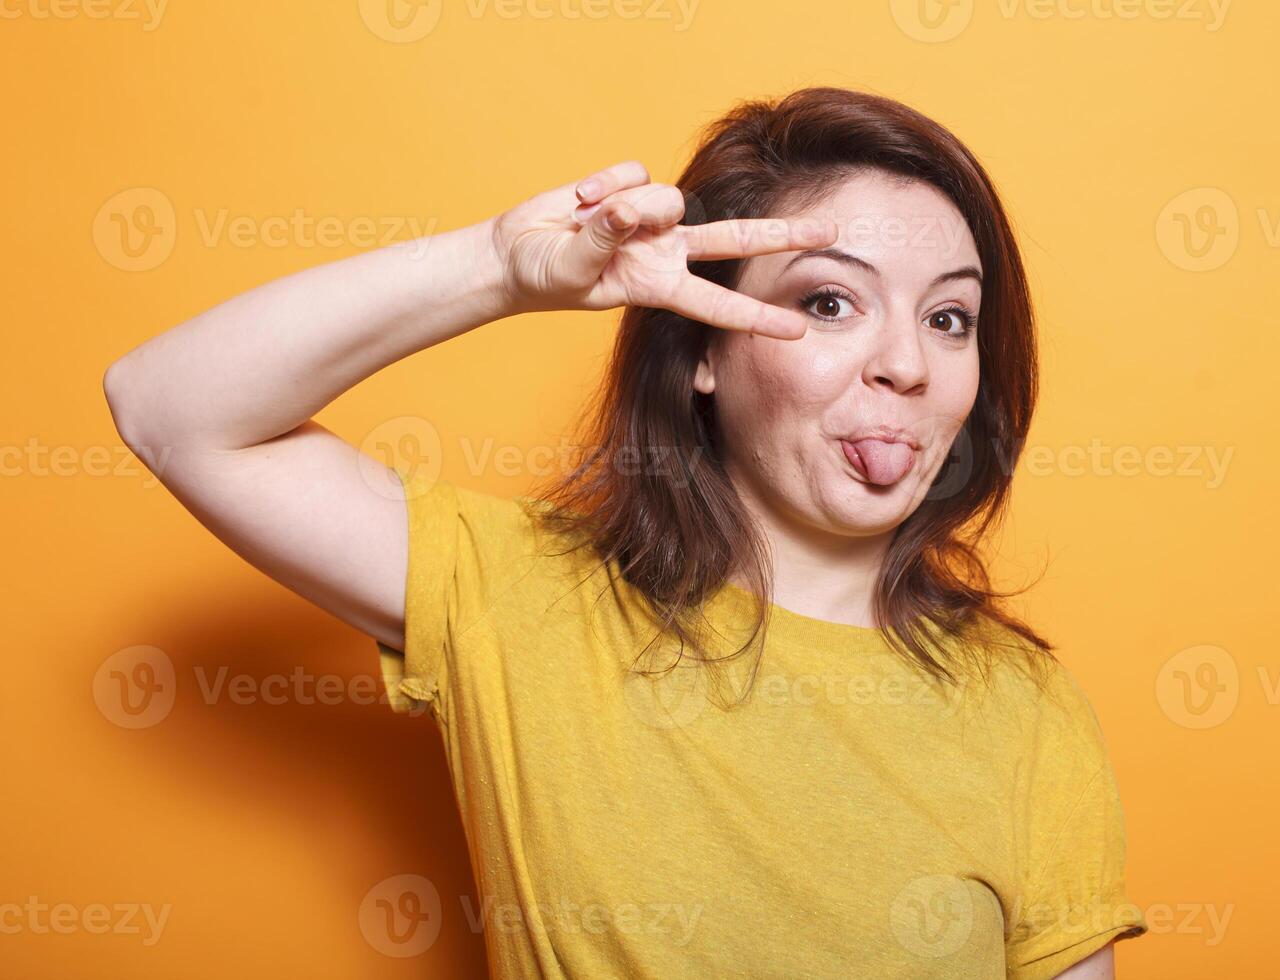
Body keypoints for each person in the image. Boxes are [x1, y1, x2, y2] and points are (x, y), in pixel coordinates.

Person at [103, 86, 1148, 978]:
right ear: (702, 350)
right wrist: (499, 270)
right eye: (832, 303)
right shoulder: (521, 595)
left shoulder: (1027, 709)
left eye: (949, 318)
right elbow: (168, 405)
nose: (907, 365)